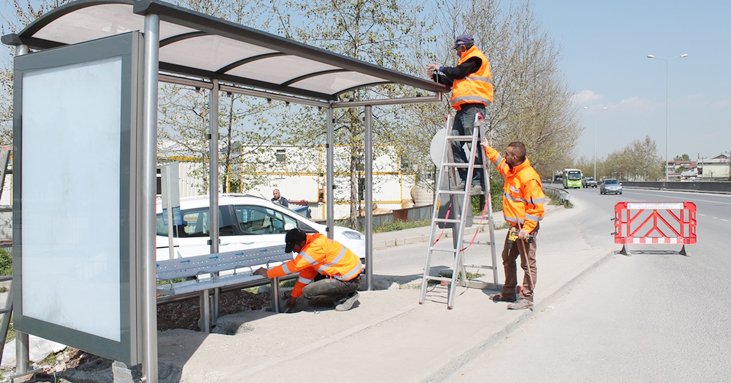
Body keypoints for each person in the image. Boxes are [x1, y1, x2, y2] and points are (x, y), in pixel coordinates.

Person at [481, 139, 546, 310]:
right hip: (514, 227)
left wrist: (526, 229)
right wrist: (488, 149)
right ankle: (509, 293)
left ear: (515, 157)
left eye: (508, 154)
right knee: (508, 258)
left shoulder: (529, 178)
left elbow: (536, 208)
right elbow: (499, 162)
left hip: (525, 228)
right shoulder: (511, 171)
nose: (505, 156)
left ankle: (527, 298)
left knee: (527, 263)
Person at [427, 34, 494, 195]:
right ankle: (466, 180)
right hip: (462, 109)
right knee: (453, 143)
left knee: (474, 146)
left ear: (462, 47)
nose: (456, 52)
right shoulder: (464, 62)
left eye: (457, 49)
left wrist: (441, 68)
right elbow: (452, 81)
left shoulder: (476, 58)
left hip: (474, 108)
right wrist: (435, 76)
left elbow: (457, 72)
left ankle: (478, 183)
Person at [253, 228, 363, 312]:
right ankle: (344, 294)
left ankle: (347, 296)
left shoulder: (312, 249)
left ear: (300, 243)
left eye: (294, 248)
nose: (294, 252)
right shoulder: (312, 244)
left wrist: (267, 273)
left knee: (308, 292)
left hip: (348, 280)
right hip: (349, 276)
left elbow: (293, 266)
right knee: (311, 293)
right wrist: (293, 296)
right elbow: (306, 274)